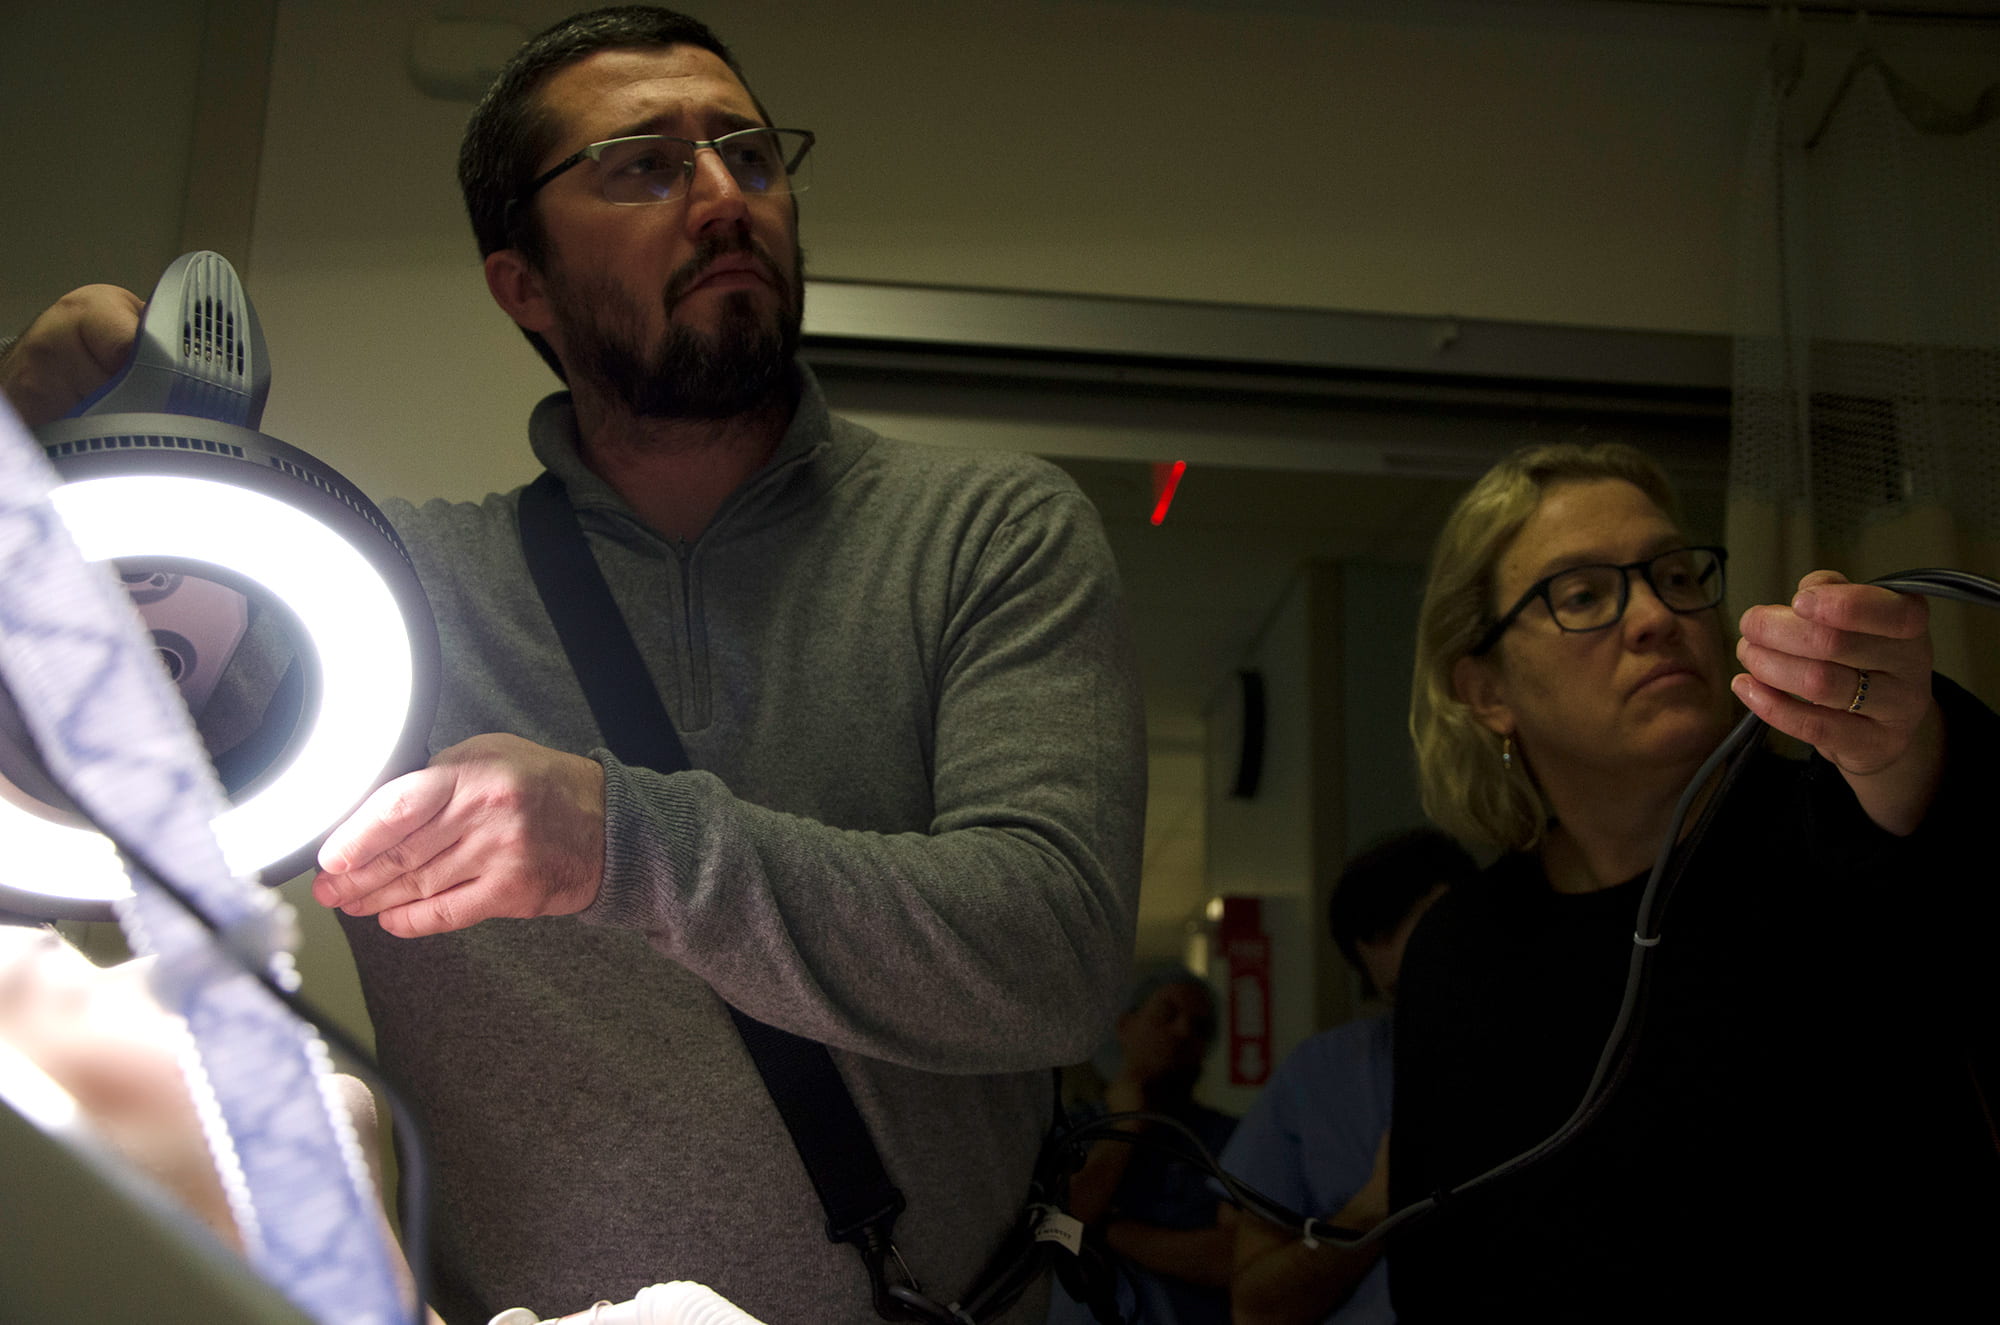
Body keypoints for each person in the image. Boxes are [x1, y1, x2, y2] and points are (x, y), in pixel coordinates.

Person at [1, 8, 1146, 1324]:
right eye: (645, 164)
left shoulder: (989, 536)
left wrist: (625, 846)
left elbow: (1053, 951)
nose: (723, 195)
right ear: (521, 283)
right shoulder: (374, 599)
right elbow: (66, 833)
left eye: (750, 155)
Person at [1386, 441, 2000, 1320]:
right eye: (1584, 594)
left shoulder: (1838, 827)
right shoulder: (1458, 951)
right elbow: (1438, 1269)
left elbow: (1945, 842)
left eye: (1674, 575)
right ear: (1486, 688)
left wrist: (1909, 741)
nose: (1654, 615)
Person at [1223, 828, 1473, 1325]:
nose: (1435, 1008)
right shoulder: (1320, 1077)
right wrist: (1371, 1210)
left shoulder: (1569, 1052)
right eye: (1407, 993)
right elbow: (1256, 1308)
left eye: (1447, 974)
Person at [1048, 965, 1237, 1325]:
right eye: (1167, 1015)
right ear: (1124, 1025)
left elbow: (1229, 1259)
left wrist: (1103, 1231)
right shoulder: (1072, 1128)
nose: (1183, 1032)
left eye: (1200, 1027)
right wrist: (1125, 1127)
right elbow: (1061, 1217)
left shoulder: (1226, 1138)